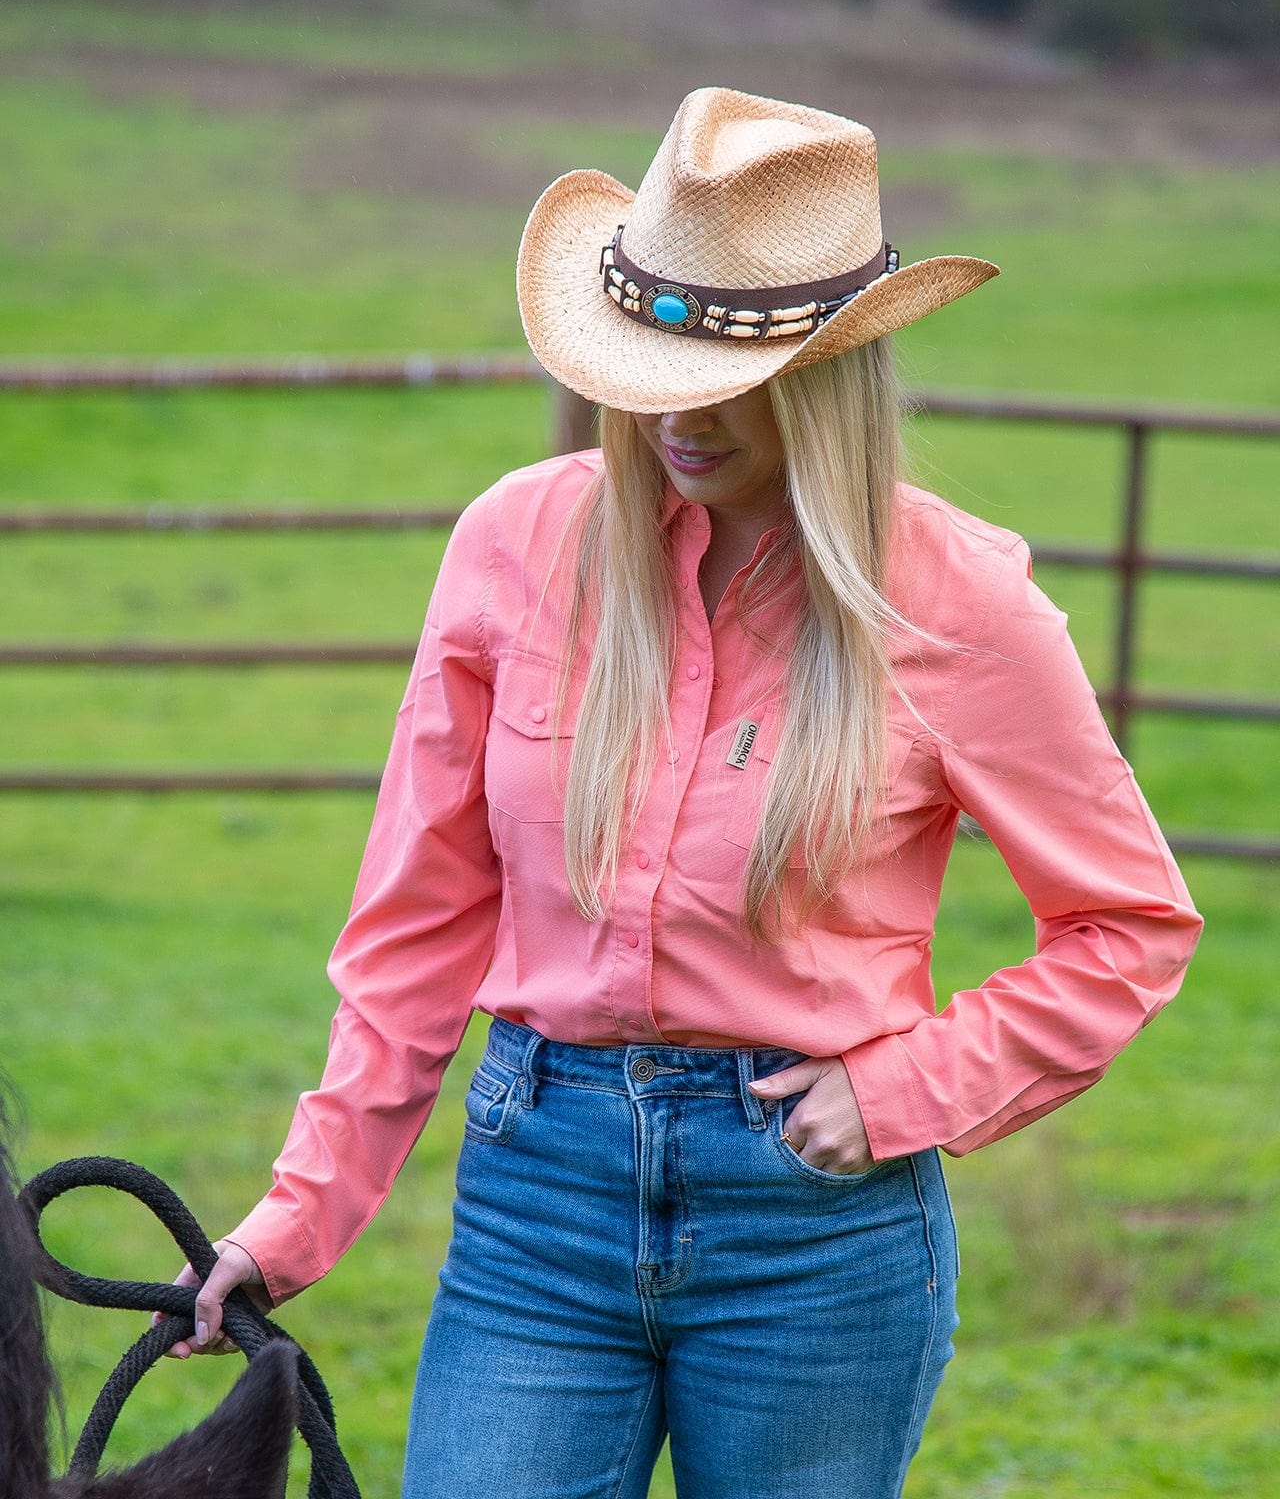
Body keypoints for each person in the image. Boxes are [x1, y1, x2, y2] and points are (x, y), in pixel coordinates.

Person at [163, 88, 1204, 1497]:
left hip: (815, 1235)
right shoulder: (517, 549)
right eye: (648, 358)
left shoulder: (959, 605)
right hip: (539, 1201)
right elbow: (418, 922)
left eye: (731, 371)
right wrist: (293, 1217)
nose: (677, 413)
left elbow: (1130, 926)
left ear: (829, 376)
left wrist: (903, 1088)